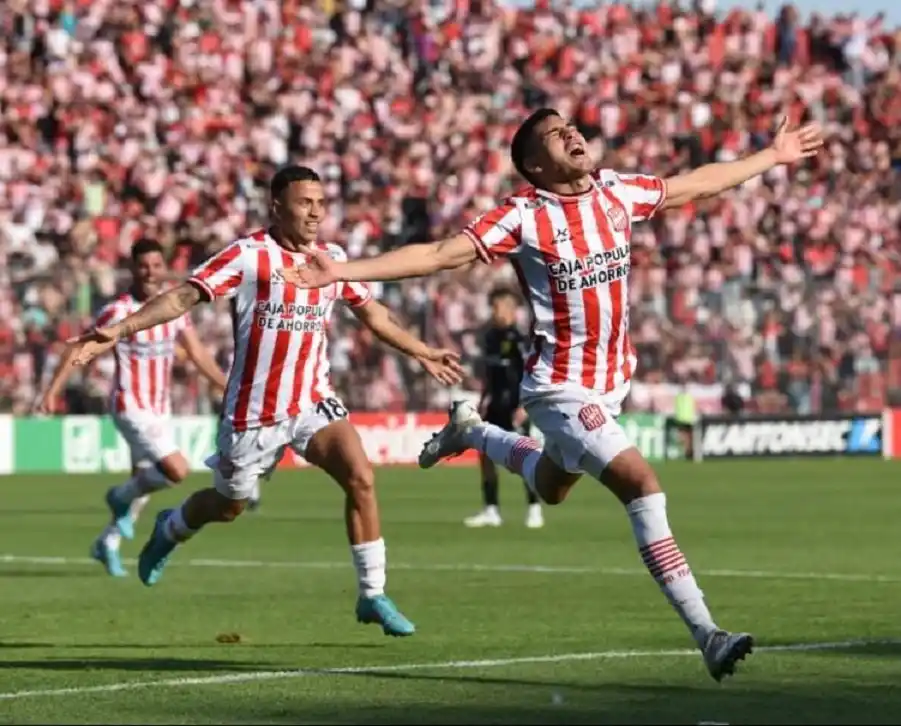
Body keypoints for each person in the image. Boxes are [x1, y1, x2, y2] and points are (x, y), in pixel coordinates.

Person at [281, 110, 824, 678]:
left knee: (551, 485)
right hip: (560, 386)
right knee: (641, 484)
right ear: (535, 166)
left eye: (570, 127)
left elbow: (698, 183)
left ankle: (473, 433)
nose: (571, 134)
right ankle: (708, 633)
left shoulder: (618, 192)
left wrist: (773, 156)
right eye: (553, 136)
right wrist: (340, 274)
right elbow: (440, 254)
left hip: (611, 382)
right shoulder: (525, 216)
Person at [68, 165, 463, 637]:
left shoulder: (332, 259)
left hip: (312, 400)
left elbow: (373, 312)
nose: (315, 212)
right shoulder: (248, 255)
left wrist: (420, 351)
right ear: (277, 206)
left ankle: (372, 594)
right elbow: (181, 299)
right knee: (228, 505)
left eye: (320, 202)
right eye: (304, 202)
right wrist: (117, 330)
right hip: (253, 413)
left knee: (360, 475)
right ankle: (170, 527)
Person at [34, 239, 229, 577]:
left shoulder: (174, 308)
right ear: (132, 268)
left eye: (156, 265)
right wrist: (53, 390)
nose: (150, 272)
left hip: (159, 407)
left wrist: (227, 387)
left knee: (142, 484)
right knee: (177, 470)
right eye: (143, 265)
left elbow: (197, 353)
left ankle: (106, 544)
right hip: (130, 404)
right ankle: (117, 497)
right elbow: (79, 348)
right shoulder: (118, 312)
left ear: (163, 267)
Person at [464, 287, 543, 529]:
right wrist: (482, 400)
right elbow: (489, 375)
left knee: (523, 457)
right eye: (493, 307)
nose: (494, 312)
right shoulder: (489, 337)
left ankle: (534, 508)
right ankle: (491, 509)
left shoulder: (520, 340)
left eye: (498, 307)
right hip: (494, 404)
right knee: (485, 455)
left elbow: (532, 375)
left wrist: (525, 406)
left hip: (515, 405)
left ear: (510, 310)